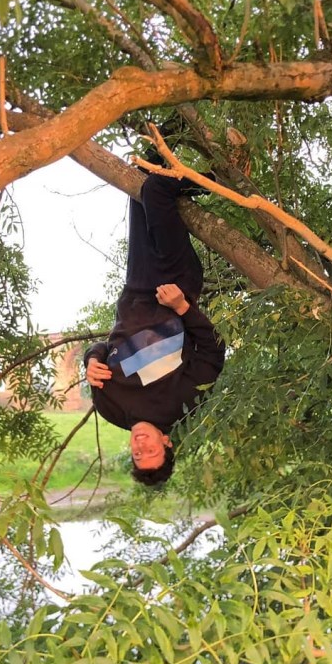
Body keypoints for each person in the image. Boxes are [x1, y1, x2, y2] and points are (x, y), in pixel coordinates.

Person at [84, 168, 225, 486]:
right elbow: (214, 353)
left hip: (135, 286)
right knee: (155, 191)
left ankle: (164, 135)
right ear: (167, 444)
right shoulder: (184, 403)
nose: (141, 447)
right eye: (151, 452)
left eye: (137, 455)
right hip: (175, 283)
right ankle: (221, 179)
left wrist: (90, 361)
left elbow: (104, 349)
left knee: (137, 187)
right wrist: (183, 308)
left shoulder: (108, 408)